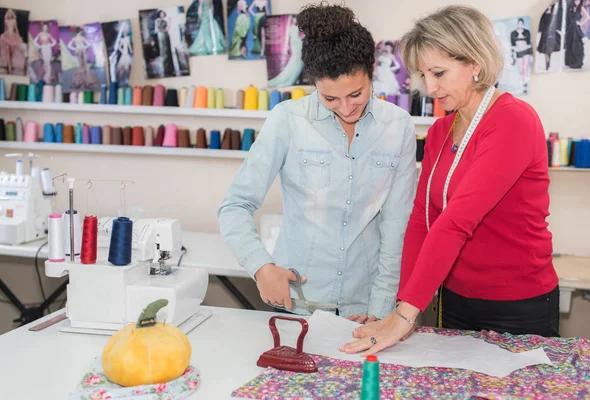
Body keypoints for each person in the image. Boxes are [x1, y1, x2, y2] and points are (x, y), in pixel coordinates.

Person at [341, 5, 560, 357]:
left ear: (474, 62)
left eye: (439, 73)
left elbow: (457, 221)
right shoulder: (441, 131)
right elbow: (421, 222)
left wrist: (402, 316)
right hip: (455, 299)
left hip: (517, 305)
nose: (429, 88)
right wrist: (401, 304)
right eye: (423, 75)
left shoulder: (512, 121)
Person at [218, 3, 417, 321]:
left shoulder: (398, 126)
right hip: (298, 304)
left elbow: (396, 225)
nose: (345, 107)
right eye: (330, 98)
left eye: (356, 93)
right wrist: (261, 266)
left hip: (366, 307)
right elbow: (234, 206)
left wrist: (380, 309)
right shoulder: (288, 120)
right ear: (313, 84)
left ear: (371, 69)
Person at [267, 16, 303, 87]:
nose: (295, 20)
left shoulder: (299, 28)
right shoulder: (291, 28)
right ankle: (289, 79)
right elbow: (288, 39)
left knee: (297, 61)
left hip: (298, 44)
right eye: (294, 19)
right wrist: (288, 49)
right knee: (294, 61)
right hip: (295, 44)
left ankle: (292, 78)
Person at [537, 3, 563, 71]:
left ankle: (549, 62)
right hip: (545, 32)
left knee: (550, 49)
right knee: (546, 49)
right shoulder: (543, 12)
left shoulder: (554, 11)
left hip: (552, 32)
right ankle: (547, 63)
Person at [0, 9, 27, 75]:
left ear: (12, 14)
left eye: (10, 13)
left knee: (13, 51)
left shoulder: (14, 21)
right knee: (7, 50)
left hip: (13, 36)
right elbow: (5, 29)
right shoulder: (5, 20)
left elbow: (16, 29)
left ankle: (11, 66)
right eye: (8, 13)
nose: (9, 14)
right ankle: (9, 68)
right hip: (7, 36)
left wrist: (18, 37)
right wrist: (3, 35)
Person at [565, 0, 590, 69]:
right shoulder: (571, 7)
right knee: (570, 43)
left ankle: (577, 62)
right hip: (570, 28)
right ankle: (570, 61)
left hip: (576, 29)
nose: (577, 1)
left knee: (577, 44)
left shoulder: (581, 8)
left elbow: (588, 17)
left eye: (578, 0)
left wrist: (581, 23)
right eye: (576, 0)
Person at [510, 18, 532, 93]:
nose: (520, 25)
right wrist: (512, 56)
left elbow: (529, 44)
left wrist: (531, 54)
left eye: (521, 23)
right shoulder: (513, 33)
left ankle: (524, 84)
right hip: (518, 52)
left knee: (525, 67)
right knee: (520, 69)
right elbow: (512, 45)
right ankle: (523, 81)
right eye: (519, 23)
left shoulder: (527, 32)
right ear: (517, 24)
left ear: (523, 24)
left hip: (526, 51)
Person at [155, 10, 175, 77]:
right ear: (159, 14)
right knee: (163, 52)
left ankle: (170, 69)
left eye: (163, 14)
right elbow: (157, 30)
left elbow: (168, 28)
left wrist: (169, 21)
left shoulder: (165, 20)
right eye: (161, 14)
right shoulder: (157, 20)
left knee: (168, 52)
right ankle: (165, 69)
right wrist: (163, 30)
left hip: (166, 35)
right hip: (161, 36)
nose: (162, 15)